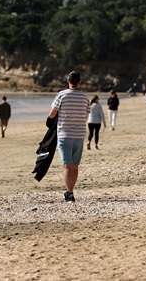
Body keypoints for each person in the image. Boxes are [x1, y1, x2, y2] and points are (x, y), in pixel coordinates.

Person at [47, 71, 90, 202]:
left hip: (65, 135)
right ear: (79, 82)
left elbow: (52, 113)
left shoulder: (62, 95)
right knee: (74, 166)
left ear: (68, 81)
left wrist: (50, 121)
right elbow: (86, 114)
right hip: (79, 135)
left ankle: (69, 192)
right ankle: (70, 191)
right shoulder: (84, 97)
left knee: (67, 165)